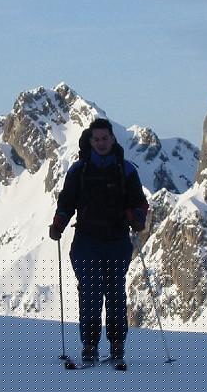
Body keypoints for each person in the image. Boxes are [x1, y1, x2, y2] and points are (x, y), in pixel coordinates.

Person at [49, 118, 149, 363]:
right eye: (97, 139)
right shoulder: (79, 170)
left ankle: (116, 344)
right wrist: (58, 224)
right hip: (87, 241)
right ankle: (91, 345)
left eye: (105, 138)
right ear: (90, 141)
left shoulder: (125, 170)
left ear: (112, 139)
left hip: (115, 241)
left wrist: (136, 217)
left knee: (114, 293)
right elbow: (66, 202)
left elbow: (139, 203)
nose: (101, 143)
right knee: (91, 293)